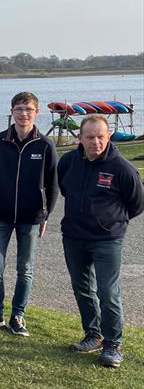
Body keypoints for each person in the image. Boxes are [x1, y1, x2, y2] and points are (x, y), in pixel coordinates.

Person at [58, 115, 144, 368]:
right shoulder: (68, 162)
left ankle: (113, 344)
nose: (95, 142)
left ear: (108, 137)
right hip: (74, 236)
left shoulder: (123, 168)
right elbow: (65, 189)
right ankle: (93, 335)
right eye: (90, 137)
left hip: (107, 239)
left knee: (107, 292)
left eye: (100, 137)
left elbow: (137, 203)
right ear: (80, 138)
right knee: (82, 288)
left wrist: (113, 221)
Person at [0, 92, 57, 336]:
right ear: (12, 111)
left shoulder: (44, 145)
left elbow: (52, 184)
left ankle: (18, 315)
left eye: (28, 109)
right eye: (19, 109)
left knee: (25, 268)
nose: (24, 114)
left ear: (36, 112)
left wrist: (46, 215)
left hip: (30, 217)